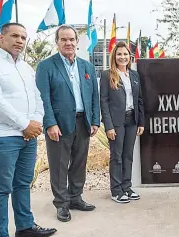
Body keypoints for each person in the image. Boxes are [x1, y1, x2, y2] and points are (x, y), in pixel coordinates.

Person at [0, 22, 56, 237]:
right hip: (1, 137)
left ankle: (25, 226)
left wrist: (35, 122)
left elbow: (37, 98)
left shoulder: (25, 67)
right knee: (1, 188)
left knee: (23, 183)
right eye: (15, 36)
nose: (19, 41)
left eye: (23, 37)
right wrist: (24, 124)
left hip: (27, 135)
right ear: (1, 37)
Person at [36, 25, 100, 222]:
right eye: (64, 39)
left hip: (83, 123)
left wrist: (95, 120)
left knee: (79, 163)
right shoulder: (46, 66)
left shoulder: (87, 66)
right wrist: (49, 124)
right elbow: (43, 98)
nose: (68, 43)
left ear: (77, 42)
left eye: (71, 39)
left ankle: (75, 197)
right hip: (59, 125)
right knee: (59, 166)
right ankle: (61, 204)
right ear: (57, 42)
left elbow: (94, 96)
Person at [99, 41, 145, 203]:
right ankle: (116, 190)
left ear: (129, 56)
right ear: (114, 56)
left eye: (125, 54)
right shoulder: (107, 75)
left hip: (132, 120)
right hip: (117, 122)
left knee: (128, 155)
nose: (122, 57)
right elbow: (103, 102)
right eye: (119, 54)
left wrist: (141, 122)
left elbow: (139, 99)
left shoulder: (134, 75)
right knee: (116, 156)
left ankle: (127, 186)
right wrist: (108, 126)